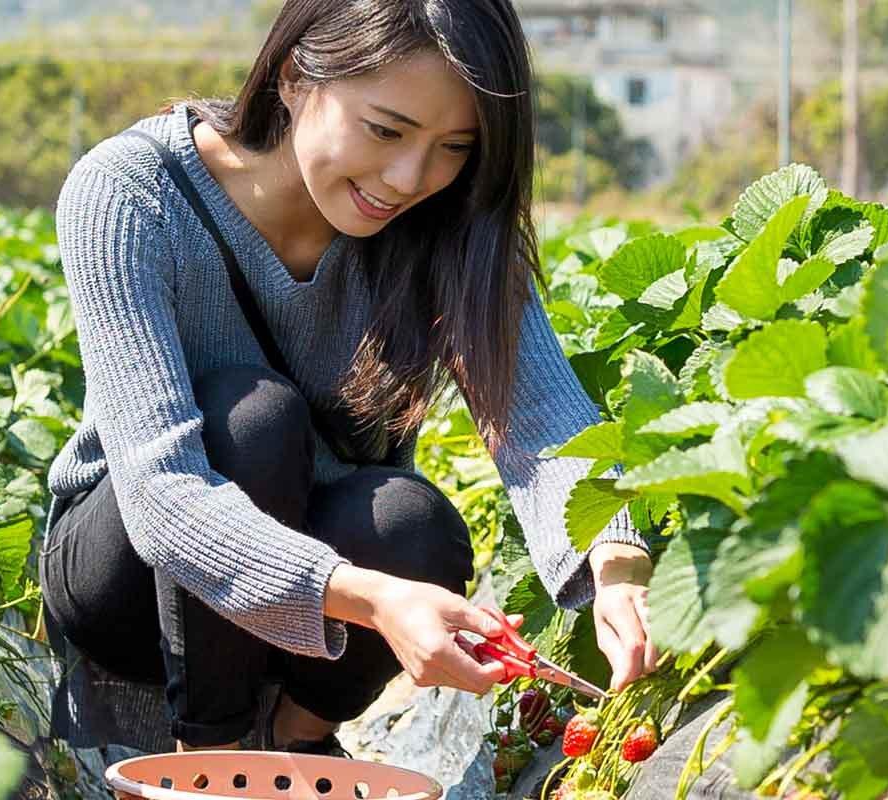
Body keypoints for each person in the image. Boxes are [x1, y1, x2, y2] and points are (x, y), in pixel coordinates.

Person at [34, 0, 655, 756]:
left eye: (454, 146)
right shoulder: (131, 192)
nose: (407, 178)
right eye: (385, 130)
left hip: (315, 618)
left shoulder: (448, 227)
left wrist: (619, 568)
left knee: (409, 522)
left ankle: (296, 739)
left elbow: (542, 419)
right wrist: (371, 598)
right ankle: (216, 758)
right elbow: (162, 495)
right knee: (251, 419)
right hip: (132, 585)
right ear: (296, 76)